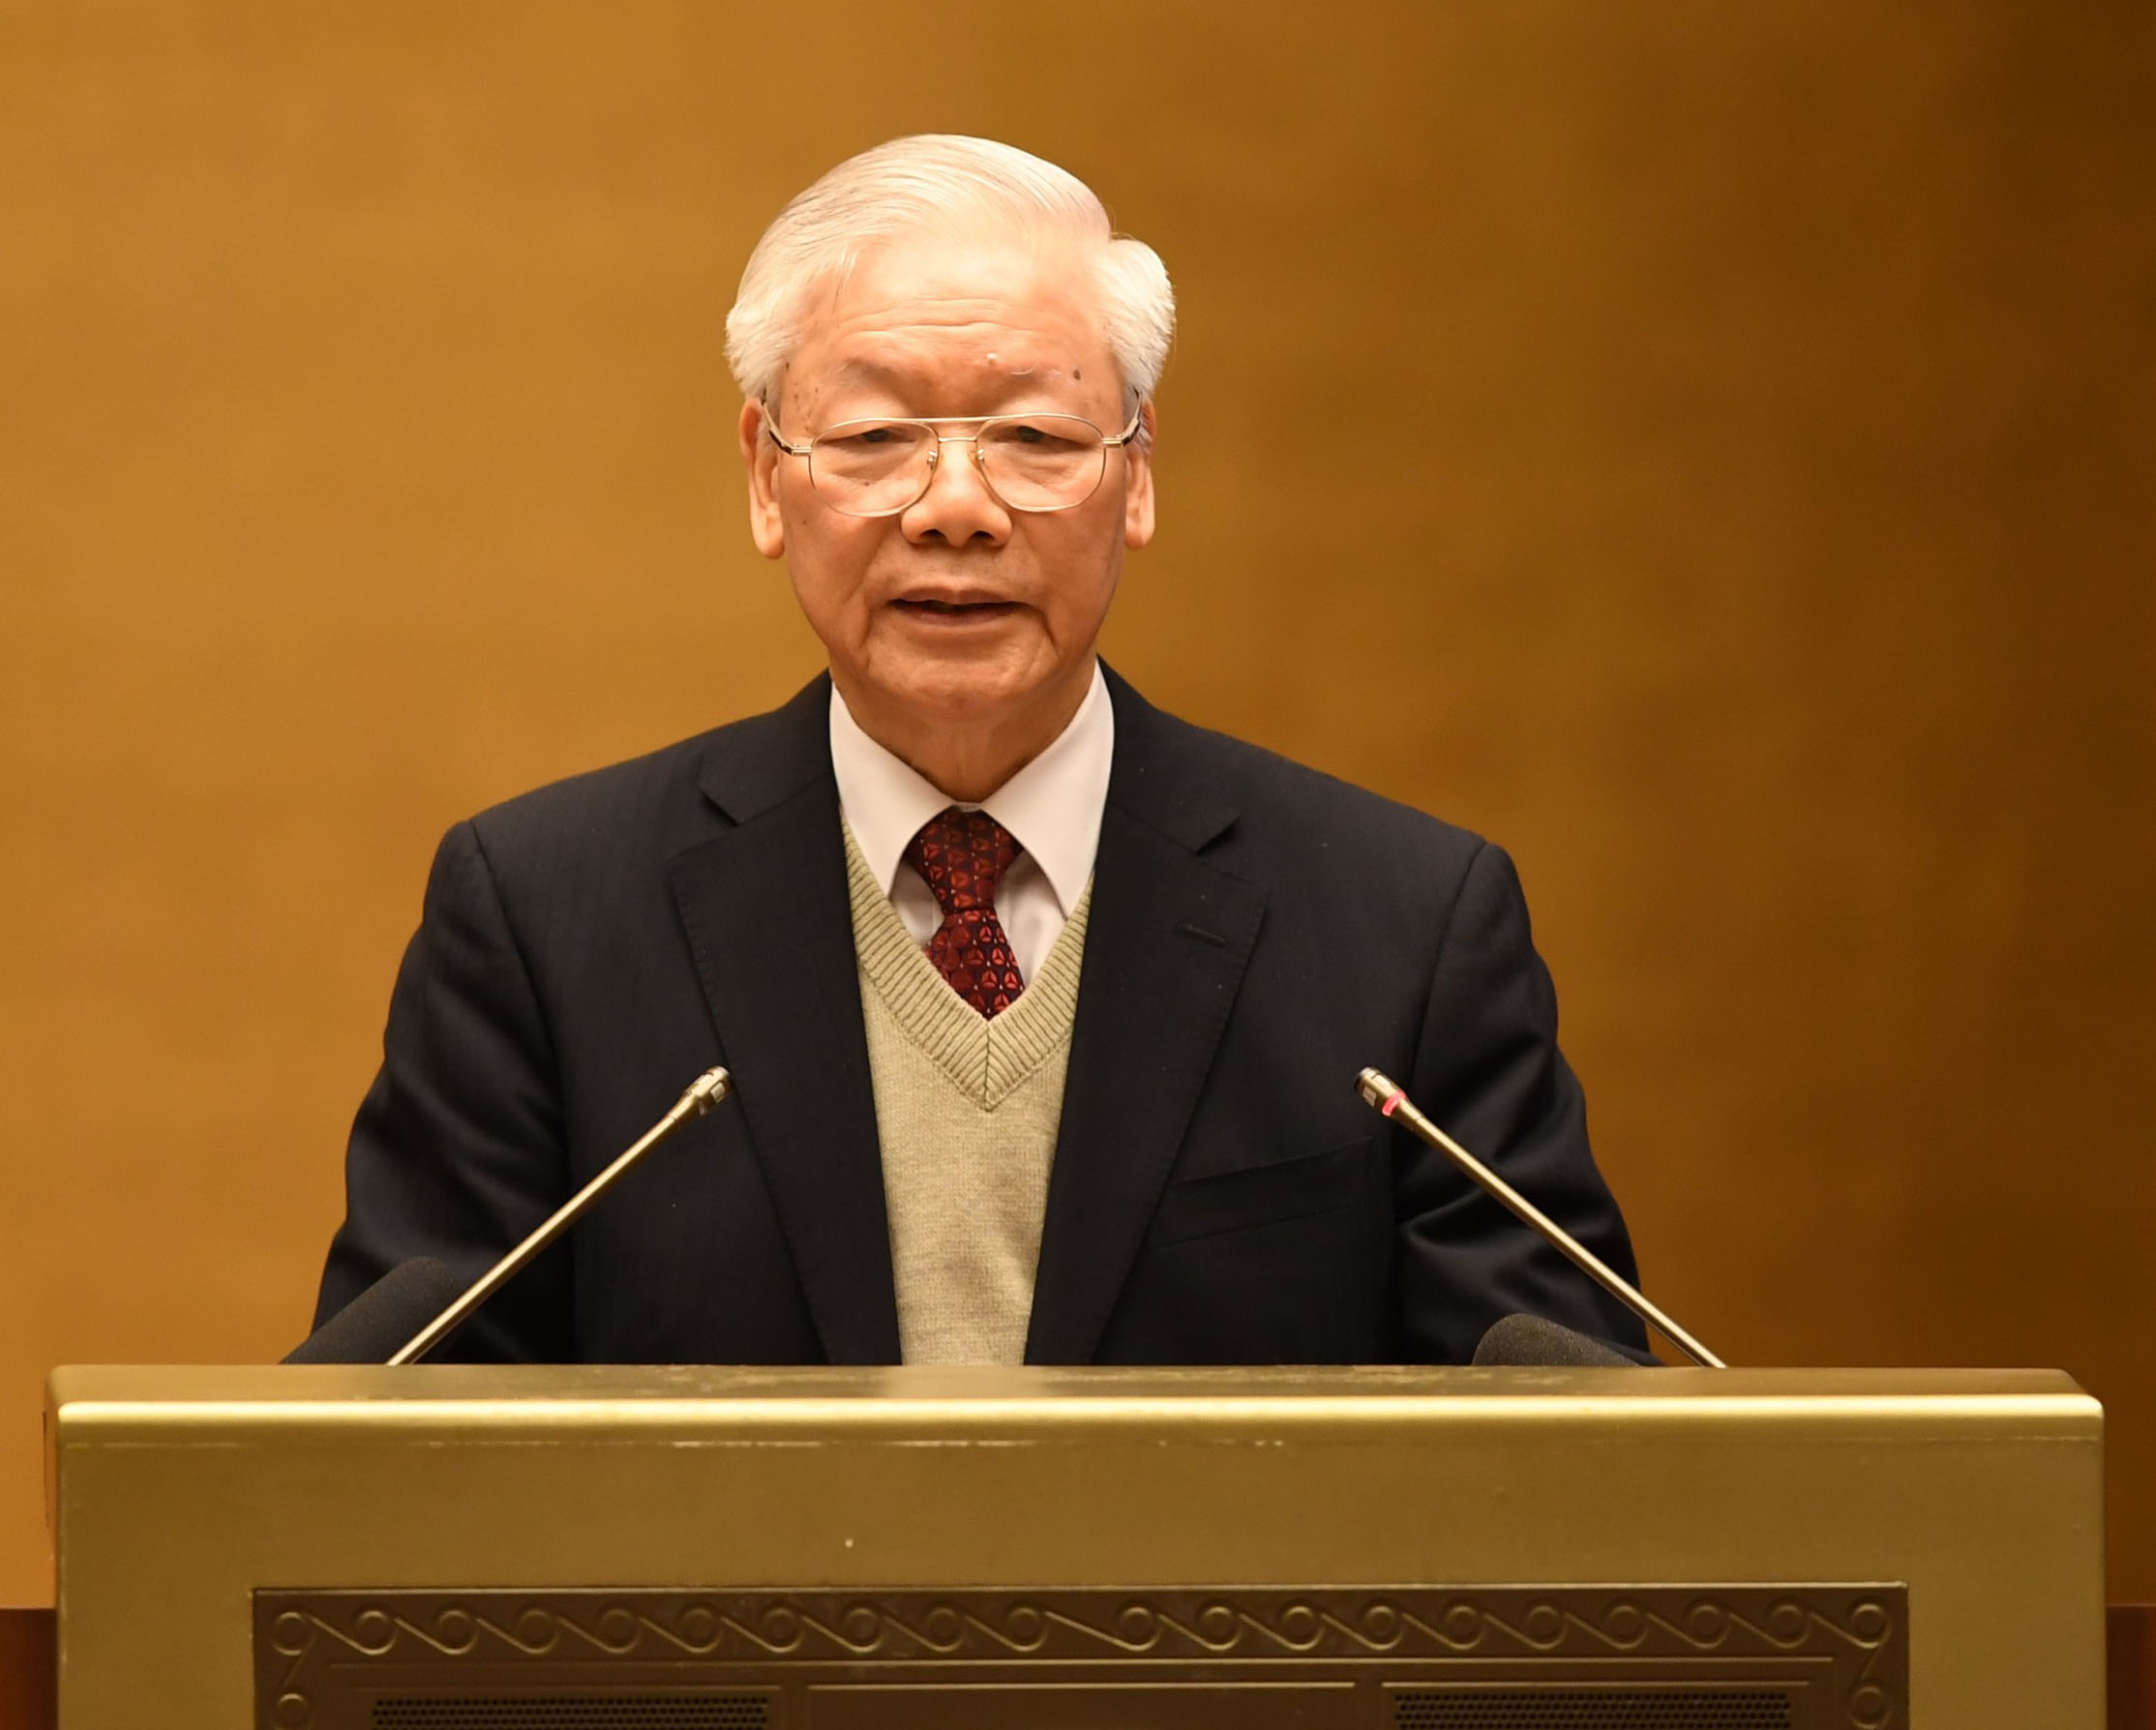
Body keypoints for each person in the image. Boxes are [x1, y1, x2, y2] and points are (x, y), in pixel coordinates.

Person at [314, 134, 1647, 1366]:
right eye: (876, 437)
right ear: (766, 476)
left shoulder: (1404, 928)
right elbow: (388, 1450)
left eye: (1033, 438)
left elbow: (1578, 1465)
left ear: (1137, 474)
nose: (956, 508)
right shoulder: (544, 920)